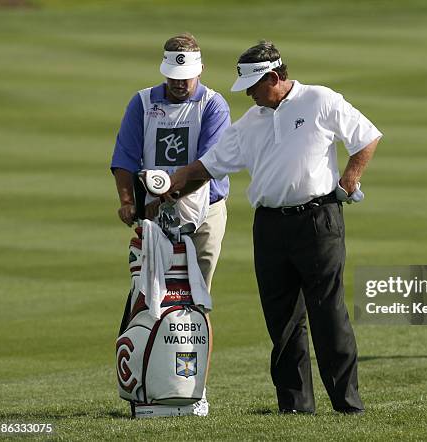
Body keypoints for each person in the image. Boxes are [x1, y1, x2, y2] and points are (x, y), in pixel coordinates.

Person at [168, 40, 382, 414]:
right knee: (281, 319)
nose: (249, 94)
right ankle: (295, 405)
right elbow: (206, 167)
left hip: (318, 220)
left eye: (254, 86)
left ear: (274, 77)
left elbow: (366, 137)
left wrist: (348, 182)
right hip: (269, 226)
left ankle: (348, 404)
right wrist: (169, 186)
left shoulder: (319, 100)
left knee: (328, 313)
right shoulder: (249, 123)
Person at [110, 33, 231, 417]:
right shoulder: (143, 102)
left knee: (197, 304)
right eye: (174, 76)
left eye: (188, 76)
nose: (180, 83)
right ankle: (140, 388)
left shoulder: (213, 104)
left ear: (201, 70)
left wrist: (170, 193)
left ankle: (195, 388)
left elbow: (209, 164)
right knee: (145, 298)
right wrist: (129, 202)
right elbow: (125, 158)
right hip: (152, 218)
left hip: (205, 213)